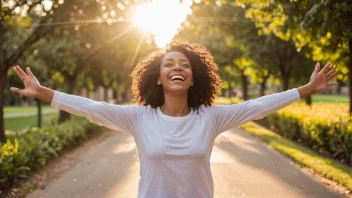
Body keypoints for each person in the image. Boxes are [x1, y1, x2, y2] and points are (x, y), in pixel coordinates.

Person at [10, 40, 338, 198]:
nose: (177, 67)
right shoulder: (139, 118)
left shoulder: (211, 118)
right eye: (169, 64)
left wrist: (307, 88)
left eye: (184, 64)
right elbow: (92, 108)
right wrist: (43, 93)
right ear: (157, 77)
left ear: (194, 79)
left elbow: (259, 105)